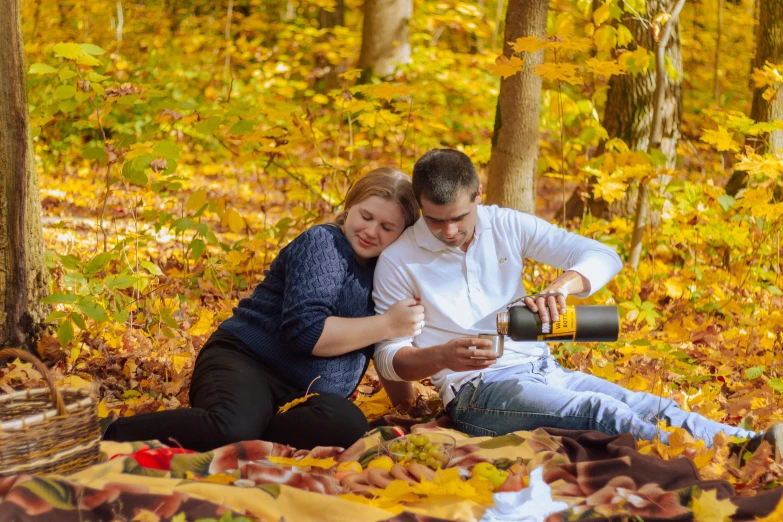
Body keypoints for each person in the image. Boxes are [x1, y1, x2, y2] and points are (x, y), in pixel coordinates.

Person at [372, 149, 782, 462]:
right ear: (421, 207)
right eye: (435, 220)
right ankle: (727, 458)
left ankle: (754, 445)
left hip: (544, 369)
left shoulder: (506, 224)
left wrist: (562, 287)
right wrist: (441, 356)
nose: (449, 230)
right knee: (600, 411)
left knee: (647, 404)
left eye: (459, 217)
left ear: (479, 195)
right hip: (477, 393)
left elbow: (604, 255)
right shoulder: (398, 259)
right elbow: (388, 358)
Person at [103, 167, 424, 452]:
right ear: (349, 206)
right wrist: (387, 324)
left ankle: (252, 430)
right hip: (246, 363)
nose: (371, 231)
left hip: (301, 398)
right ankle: (107, 434)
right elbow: (307, 333)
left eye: (386, 226)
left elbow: (386, 345)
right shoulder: (324, 244)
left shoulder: (388, 270)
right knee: (229, 427)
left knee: (348, 425)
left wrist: (407, 407)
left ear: (403, 233)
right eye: (366, 216)